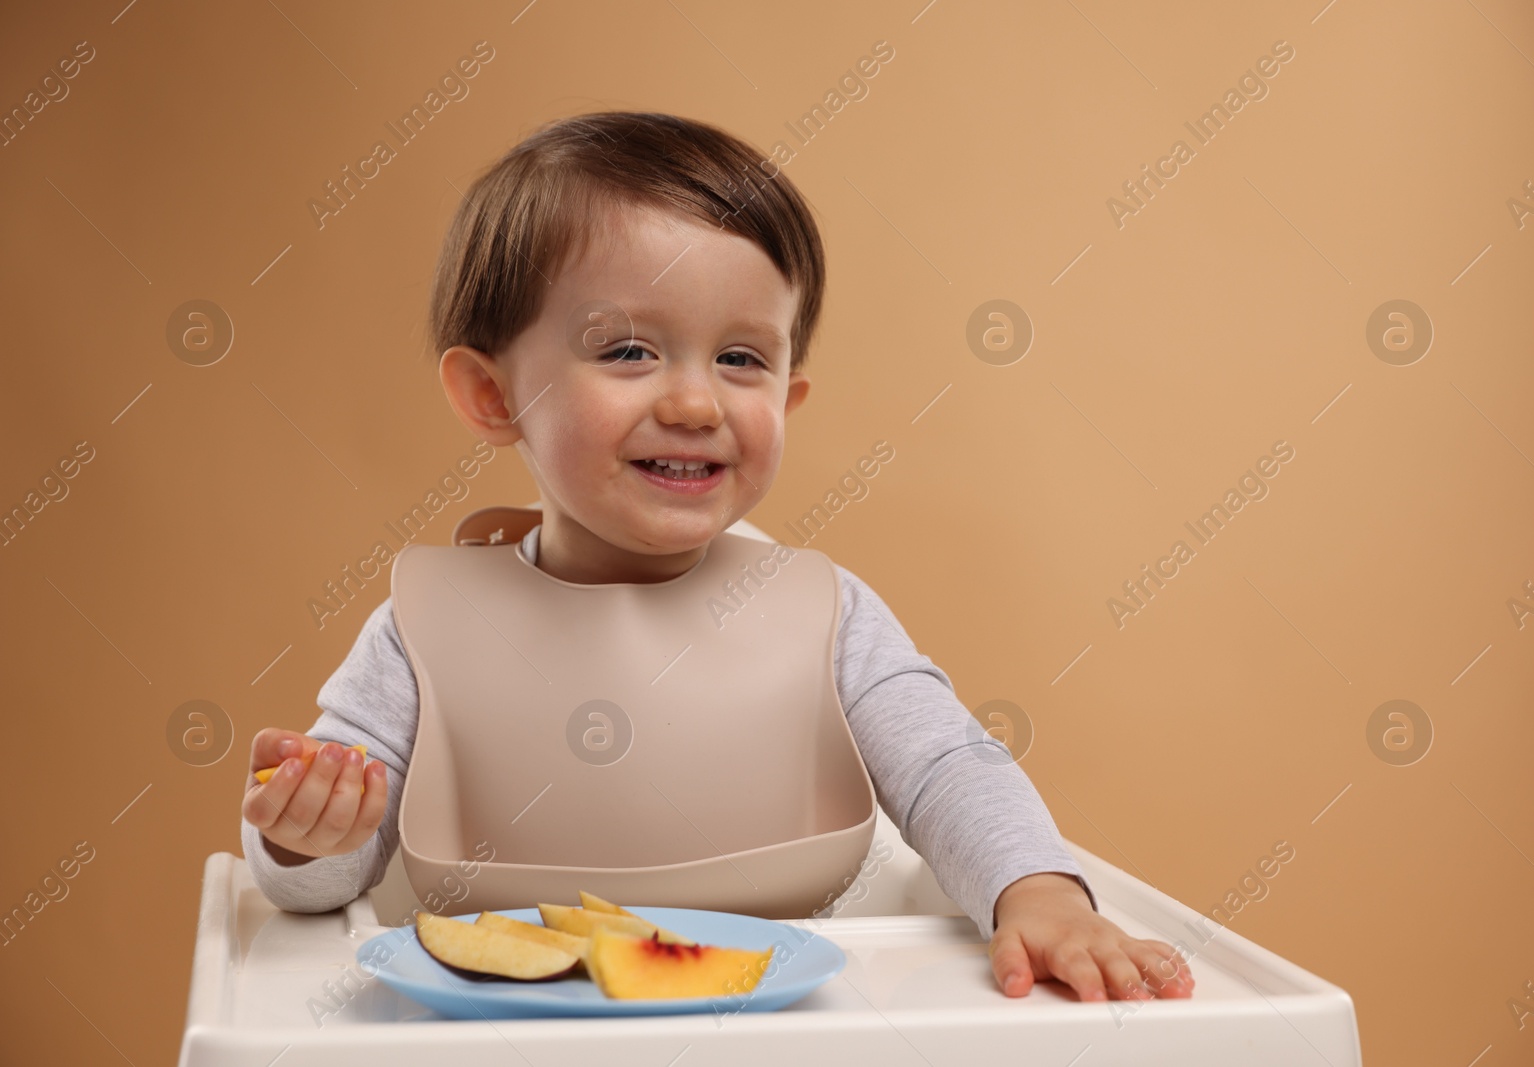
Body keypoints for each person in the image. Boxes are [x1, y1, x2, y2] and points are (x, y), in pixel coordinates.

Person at [240, 111, 1194, 1003]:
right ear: (494, 396)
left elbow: (947, 767)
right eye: (626, 351)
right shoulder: (424, 632)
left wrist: (1038, 894)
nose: (697, 404)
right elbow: (325, 886)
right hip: (508, 1024)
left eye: (742, 360)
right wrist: (305, 835)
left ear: (788, 397)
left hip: (783, 1022)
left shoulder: (827, 616)